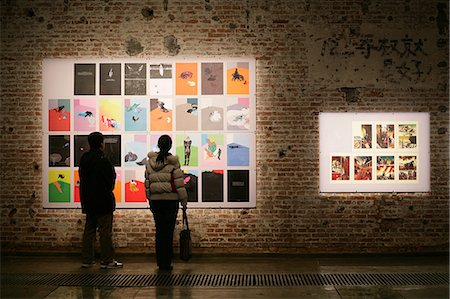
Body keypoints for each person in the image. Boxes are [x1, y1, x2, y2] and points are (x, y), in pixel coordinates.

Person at [79, 132, 123, 269]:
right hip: (103, 200)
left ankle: (87, 260)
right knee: (105, 231)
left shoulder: (84, 158)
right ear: (101, 144)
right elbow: (110, 181)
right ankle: (107, 260)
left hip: (88, 200)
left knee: (89, 230)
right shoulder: (104, 160)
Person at [145, 135, 188, 271]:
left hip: (156, 202)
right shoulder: (173, 162)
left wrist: (150, 198)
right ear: (170, 146)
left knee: (160, 231)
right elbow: (179, 184)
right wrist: (184, 201)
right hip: (170, 201)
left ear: (158, 145)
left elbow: (147, 183)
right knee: (168, 233)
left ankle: (160, 262)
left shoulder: (150, 162)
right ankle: (167, 263)